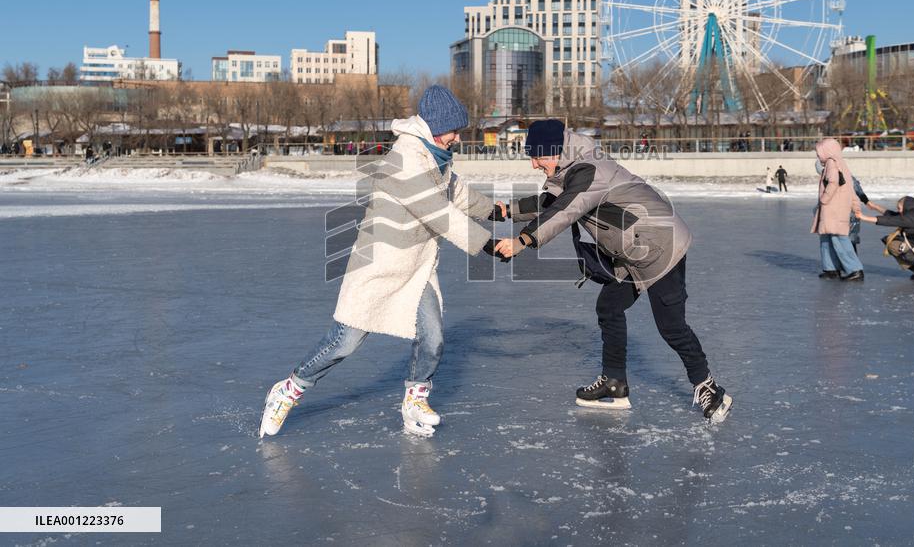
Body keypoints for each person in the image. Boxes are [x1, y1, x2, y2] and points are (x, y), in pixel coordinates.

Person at [258, 85, 502, 439]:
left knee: (433, 337)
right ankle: (288, 390)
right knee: (344, 343)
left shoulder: (437, 158)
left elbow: (457, 193)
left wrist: (501, 211)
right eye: (455, 130)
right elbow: (438, 212)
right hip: (378, 268)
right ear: (436, 126)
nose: (459, 137)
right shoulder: (404, 159)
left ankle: (414, 404)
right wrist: (489, 245)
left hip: (416, 270)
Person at [493, 119, 733, 423]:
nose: (533, 164)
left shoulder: (589, 172)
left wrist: (523, 240)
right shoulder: (574, 168)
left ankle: (708, 386)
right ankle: (614, 382)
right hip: (634, 250)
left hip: (661, 246)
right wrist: (508, 211)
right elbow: (554, 202)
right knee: (609, 307)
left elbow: (565, 211)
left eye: (536, 156)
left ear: (553, 151)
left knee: (671, 326)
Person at [812, 138, 865, 281]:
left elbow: (833, 182)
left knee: (839, 239)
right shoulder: (841, 164)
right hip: (834, 208)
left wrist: (824, 199)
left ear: (827, 151)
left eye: (819, 152)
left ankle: (855, 270)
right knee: (827, 238)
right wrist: (856, 206)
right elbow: (850, 189)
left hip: (834, 209)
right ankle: (831, 269)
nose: (818, 155)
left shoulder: (831, 163)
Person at [855, 196, 914, 280]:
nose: (899, 211)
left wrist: (864, 218)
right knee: (891, 241)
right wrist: (874, 207)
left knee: (892, 244)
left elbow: (890, 220)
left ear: (906, 206)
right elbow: (893, 216)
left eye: (899, 208)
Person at [849, 176, 870, 253]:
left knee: (851, 238)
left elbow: (857, 189)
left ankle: (853, 263)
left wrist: (866, 200)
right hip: (842, 211)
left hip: (850, 211)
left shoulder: (845, 174)